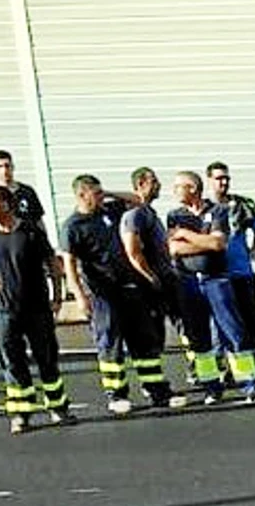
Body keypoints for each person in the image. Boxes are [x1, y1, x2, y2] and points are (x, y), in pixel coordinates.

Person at [0, 185, 69, 435]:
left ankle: (58, 408)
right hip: (4, 311)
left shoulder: (30, 230)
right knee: (12, 361)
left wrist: (58, 296)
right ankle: (21, 413)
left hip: (37, 309)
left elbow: (52, 262)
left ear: (5, 205)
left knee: (47, 358)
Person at [62, 174, 176, 414]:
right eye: (96, 193)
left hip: (131, 287)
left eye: (101, 192)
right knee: (110, 342)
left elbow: (138, 200)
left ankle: (157, 390)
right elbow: (69, 265)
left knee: (144, 340)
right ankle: (117, 394)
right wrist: (80, 297)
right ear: (82, 195)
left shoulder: (111, 210)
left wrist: (109, 193)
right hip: (103, 293)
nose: (101, 196)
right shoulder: (73, 226)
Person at [168, 171, 255, 406]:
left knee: (233, 331)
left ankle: (249, 383)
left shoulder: (217, 211)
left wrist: (186, 236)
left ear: (192, 188)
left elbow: (218, 243)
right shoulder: (175, 215)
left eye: (179, 186)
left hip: (216, 280)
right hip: (188, 281)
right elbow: (173, 249)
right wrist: (202, 242)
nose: (175, 190)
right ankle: (211, 386)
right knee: (198, 338)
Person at [119, 166, 188, 408]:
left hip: (164, 280)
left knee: (169, 330)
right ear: (141, 184)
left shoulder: (147, 211)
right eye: (154, 181)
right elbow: (133, 251)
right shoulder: (134, 215)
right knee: (149, 337)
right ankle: (153, 388)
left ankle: (159, 384)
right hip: (149, 286)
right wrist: (149, 277)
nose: (158, 185)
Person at [206, 162, 255, 382]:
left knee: (249, 322)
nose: (223, 182)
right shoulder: (206, 210)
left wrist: (252, 251)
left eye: (226, 178)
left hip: (242, 273)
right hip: (218, 275)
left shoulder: (240, 205)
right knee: (220, 327)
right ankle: (223, 370)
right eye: (218, 178)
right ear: (209, 181)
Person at [0, 149, 46, 230]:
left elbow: (38, 220)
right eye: (0, 166)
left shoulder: (26, 191)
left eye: (7, 166)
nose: (4, 171)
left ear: (13, 167)